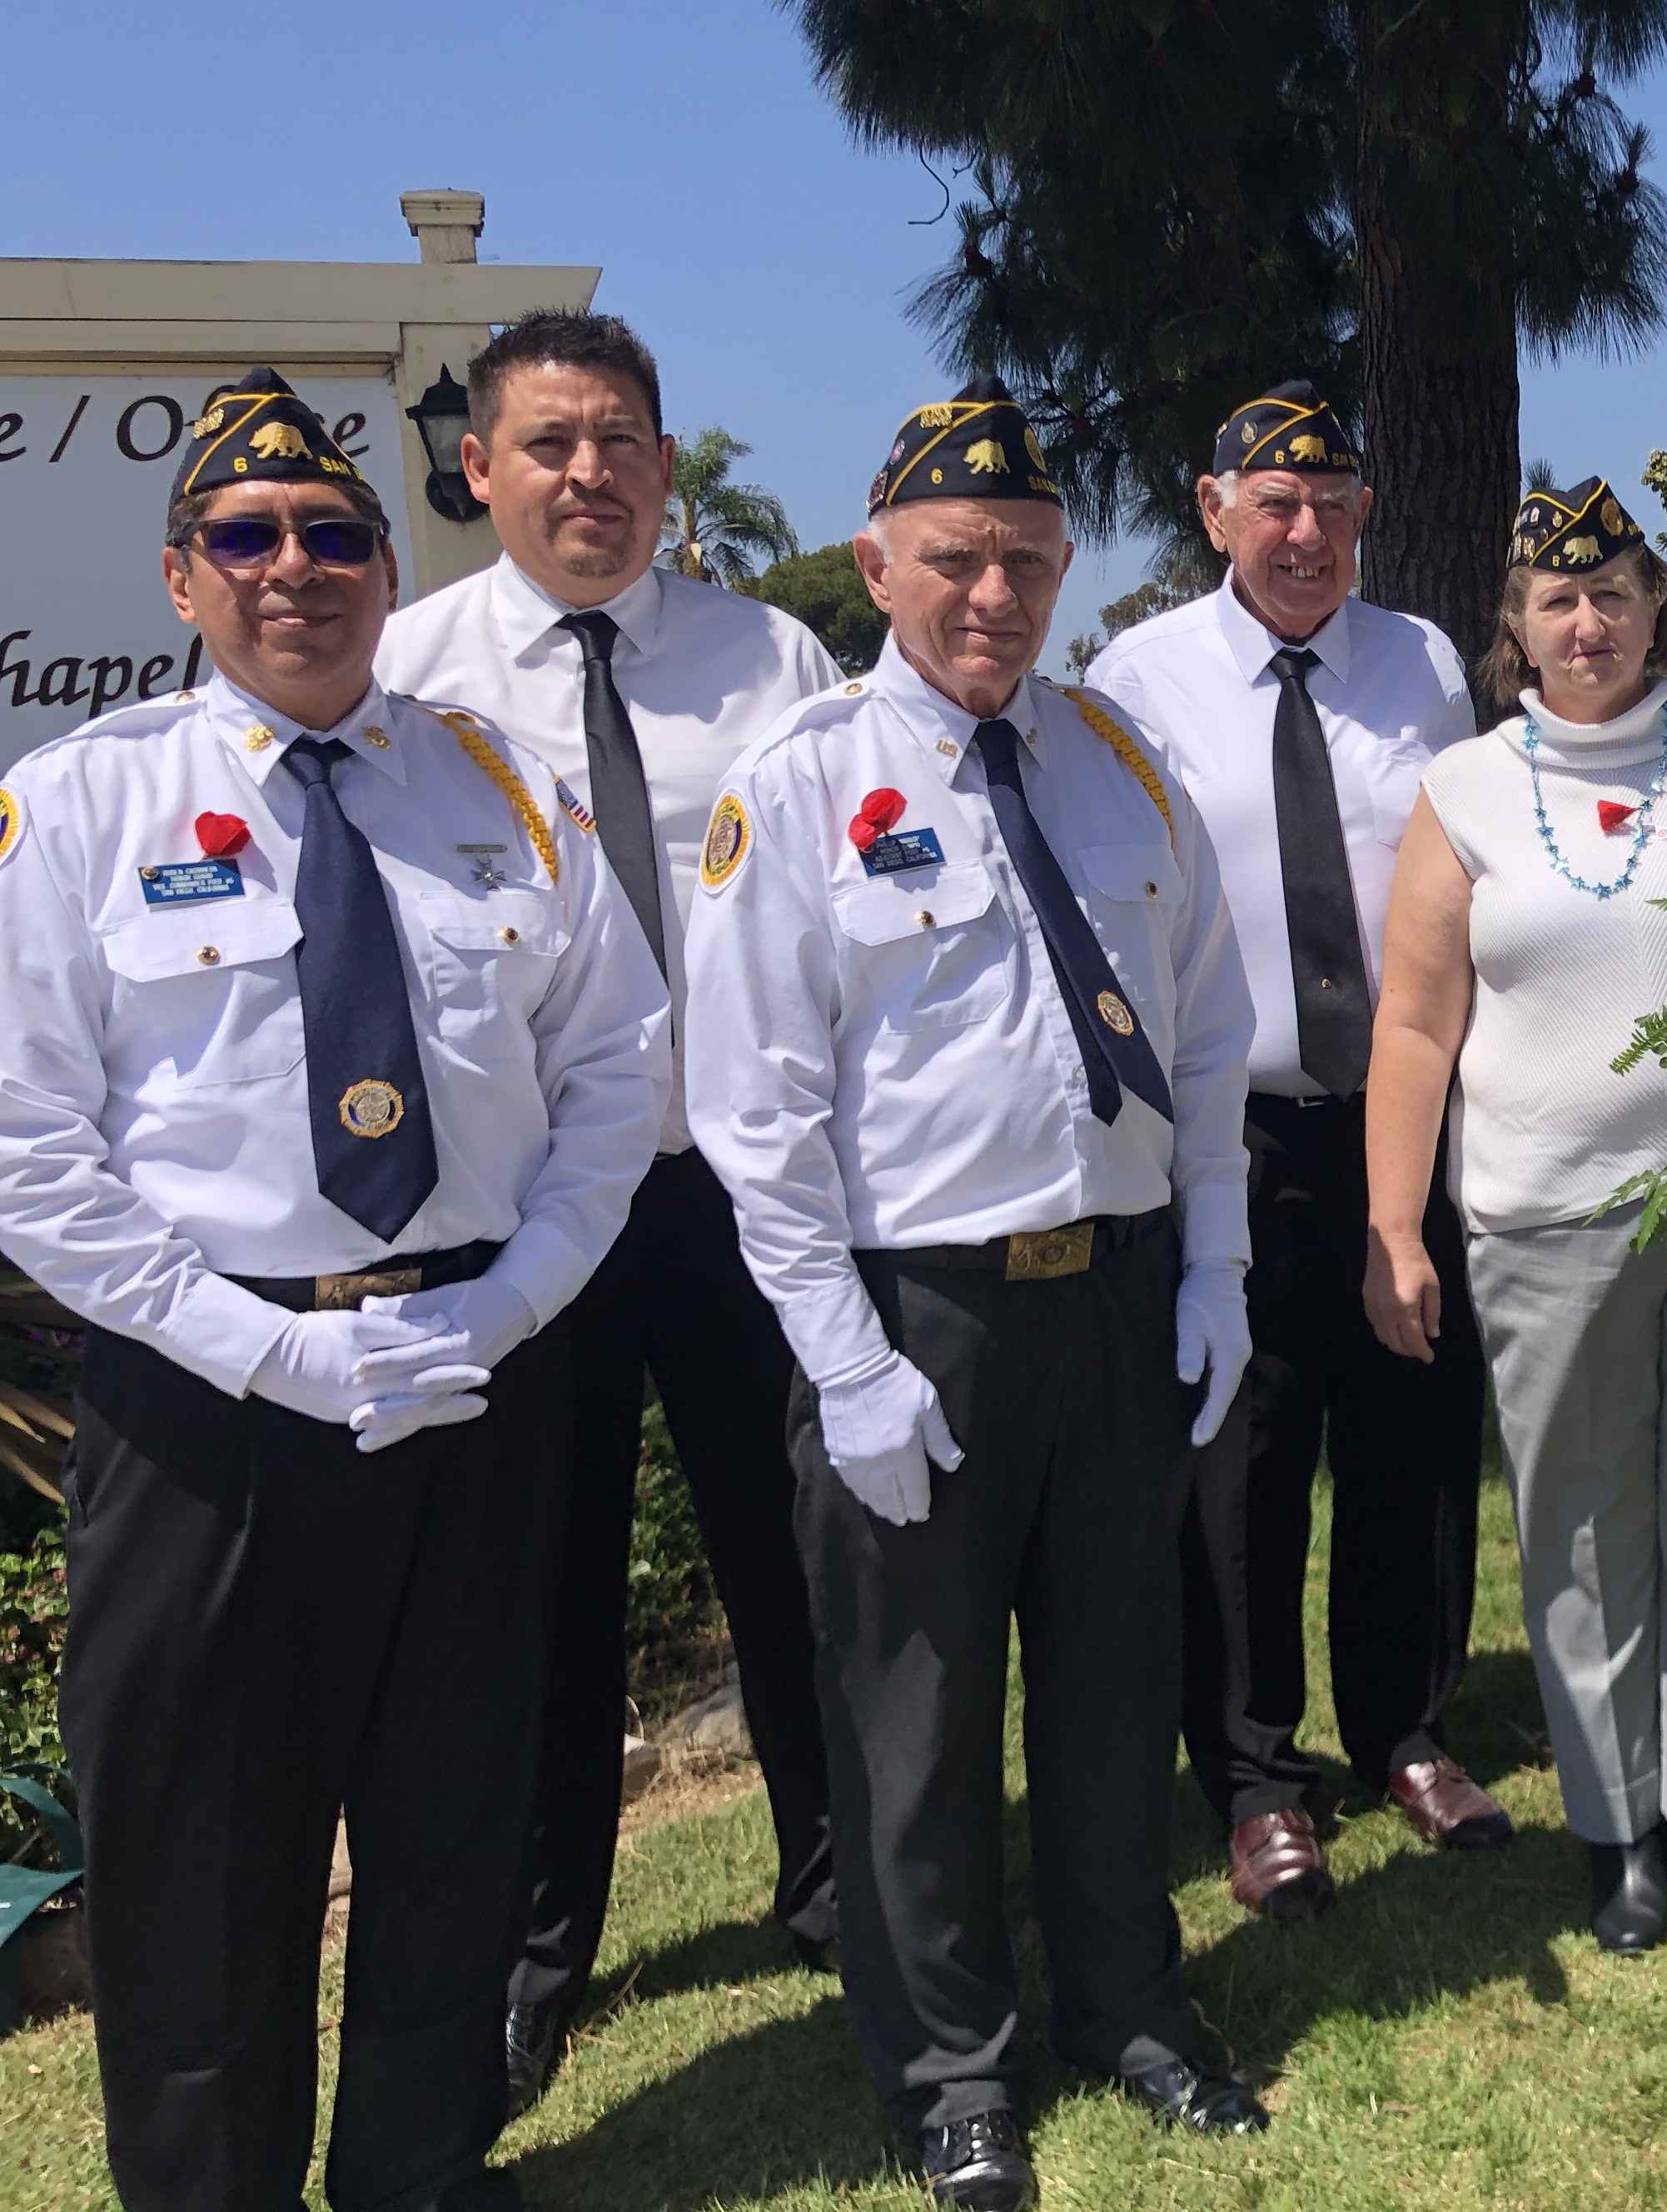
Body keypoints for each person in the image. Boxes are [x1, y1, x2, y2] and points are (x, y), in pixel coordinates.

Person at [0, 370, 669, 2212]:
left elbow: (617, 1069)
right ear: (180, 576)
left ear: (386, 565)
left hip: (466, 1371)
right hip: (201, 1401)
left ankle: (420, 2171)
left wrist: (513, 1303)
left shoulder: (505, 793)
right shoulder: (74, 809)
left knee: (459, 1817)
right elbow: (24, 1142)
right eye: (247, 536)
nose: (294, 565)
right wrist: (262, 1350)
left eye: (332, 535)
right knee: (204, 1853)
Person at [682, 379, 1265, 2210]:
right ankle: (951, 2069)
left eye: (1023, 559)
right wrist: (847, 1371)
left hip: (1119, 1295)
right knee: (914, 1721)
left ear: (1062, 564)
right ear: (878, 565)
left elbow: (1216, 1037)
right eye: (954, 560)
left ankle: (1131, 2004)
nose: (991, 596)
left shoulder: (1118, 762)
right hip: (919, 1318)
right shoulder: (794, 795)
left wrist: (1221, 1265)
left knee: (1114, 1680)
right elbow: (754, 1124)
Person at [378, 308, 842, 2111]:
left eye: (622, 439)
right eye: (550, 444)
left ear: (664, 458)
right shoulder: (412, 675)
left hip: (743, 1195)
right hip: (526, 1214)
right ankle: (537, 1952)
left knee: (796, 1555)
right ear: (477, 468)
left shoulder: (772, 658)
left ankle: (835, 1888)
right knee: (541, 1592)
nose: (591, 474)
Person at [1090, 380, 1505, 1923]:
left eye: (1332, 502)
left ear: (1366, 514)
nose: (1305, 530)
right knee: (1243, 1464)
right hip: (1232, 1123)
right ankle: (1258, 1778)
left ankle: (1405, 1729)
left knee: (1411, 1427)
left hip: (1402, 1115)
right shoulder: (1136, 678)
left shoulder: (1422, 667)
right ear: (1214, 512)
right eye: (1273, 502)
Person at [1361, 480, 1667, 1956]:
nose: (1589, 621)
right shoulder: (1465, 790)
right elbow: (1416, 1025)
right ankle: (1617, 1831)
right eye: (1559, 600)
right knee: (1583, 1530)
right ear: (1518, 630)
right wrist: (1395, 1226)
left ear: (1657, 606)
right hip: (1541, 1217)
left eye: (1614, 591)